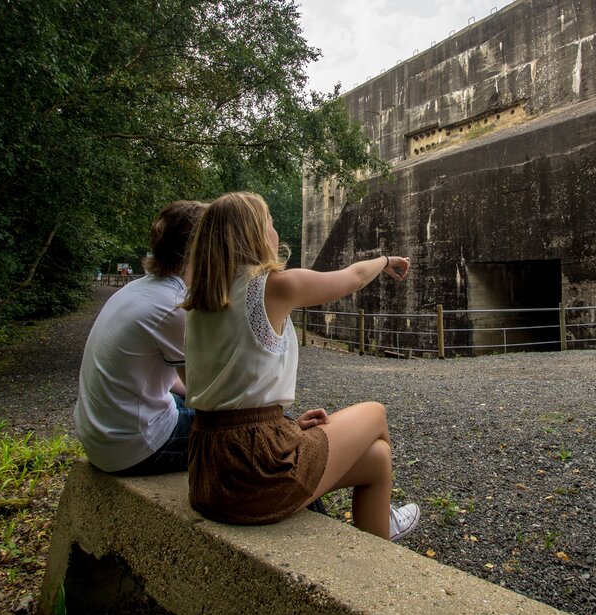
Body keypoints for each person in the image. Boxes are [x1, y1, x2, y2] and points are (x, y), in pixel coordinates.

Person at [181, 191, 421, 541]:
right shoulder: (274, 287)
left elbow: (229, 390)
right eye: (270, 221)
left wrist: (282, 424)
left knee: (377, 457)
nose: (275, 229)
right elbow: (353, 277)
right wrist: (386, 260)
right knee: (375, 413)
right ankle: (382, 524)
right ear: (254, 233)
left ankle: (381, 532)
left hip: (208, 470)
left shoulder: (199, 303)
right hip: (257, 468)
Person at [74, 200, 208, 475]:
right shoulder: (173, 306)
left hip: (101, 436)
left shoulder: (139, 289)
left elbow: (177, 384)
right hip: (137, 446)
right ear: (199, 249)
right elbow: (206, 394)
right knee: (263, 435)